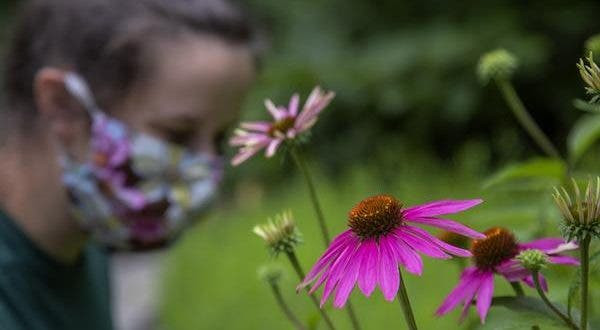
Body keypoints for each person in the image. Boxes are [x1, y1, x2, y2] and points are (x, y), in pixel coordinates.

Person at [0, 0, 257, 329]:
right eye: (177, 134)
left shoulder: (84, 240)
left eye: (220, 138)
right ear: (62, 105)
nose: (208, 169)